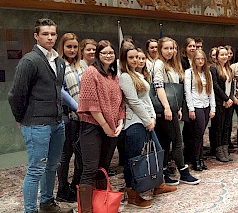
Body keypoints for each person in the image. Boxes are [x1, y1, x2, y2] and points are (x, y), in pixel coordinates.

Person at [8, 18, 72, 213]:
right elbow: (16, 95)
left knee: (52, 166)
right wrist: (21, 118)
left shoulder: (59, 62)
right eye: (45, 34)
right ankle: (30, 210)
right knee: (36, 169)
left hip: (57, 122)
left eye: (53, 34)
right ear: (36, 36)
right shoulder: (30, 60)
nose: (50, 37)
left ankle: (47, 203)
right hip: (37, 124)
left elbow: (57, 91)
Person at [118, 44, 176, 209]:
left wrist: (152, 117)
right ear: (124, 59)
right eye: (131, 57)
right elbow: (134, 102)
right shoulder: (125, 77)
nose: (135, 60)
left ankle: (158, 184)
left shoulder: (137, 74)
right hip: (134, 123)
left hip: (146, 120)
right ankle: (133, 195)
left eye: (137, 57)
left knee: (157, 152)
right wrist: (147, 120)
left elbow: (146, 99)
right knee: (135, 160)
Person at [77, 40, 125, 213]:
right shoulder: (91, 73)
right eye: (104, 53)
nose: (108, 56)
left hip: (112, 128)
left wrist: (120, 122)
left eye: (111, 53)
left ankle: (103, 205)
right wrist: (106, 126)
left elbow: (120, 103)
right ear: (98, 55)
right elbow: (91, 105)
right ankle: (87, 210)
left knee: (103, 167)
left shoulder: (114, 76)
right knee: (89, 169)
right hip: (92, 127)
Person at [153, 37, 199, 184]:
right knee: (177, 141)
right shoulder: (159, 64)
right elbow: (159, 87)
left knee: (166, 142)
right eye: (166, 48)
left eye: (172, 48)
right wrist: (167, 107)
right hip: (164, 109)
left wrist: (177, 108)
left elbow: (175, 90)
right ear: (160, 49)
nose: (169, 51)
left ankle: (164, 172)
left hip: (172, 108)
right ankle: (183, 171)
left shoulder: (173, 65)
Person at [55, 33, 85, 203]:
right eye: (69, 47)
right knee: (65, 155)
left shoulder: (83, 65)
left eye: (75, 47)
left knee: (81, 154)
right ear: (63, 47)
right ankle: (62, 189)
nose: (72, 50)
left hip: (85, 117)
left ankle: (76, 185)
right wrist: (77, 107)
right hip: (68, 116)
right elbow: (60, 90)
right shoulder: (59, 65)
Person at [184, 50, 216, 171]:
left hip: (206, 106)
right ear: (193, 60)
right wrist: (191, 109)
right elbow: (188, 92)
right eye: (198, 59)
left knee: (201, 134)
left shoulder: (207, 73)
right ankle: (196, 159)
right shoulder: (189, 73)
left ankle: (200, 158)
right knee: (198, 134)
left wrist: (213, 108)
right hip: (196, 106)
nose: (201, 61)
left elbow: (210, 91)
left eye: (202, 59)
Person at [210, 47, 235, 162]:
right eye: (222, 55)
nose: (225, 57)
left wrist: (230, 98)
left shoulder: (229, 68)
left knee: (226, 126)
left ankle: (225, 148)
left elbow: (232, 85)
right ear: (217, 57)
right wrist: (225, 99)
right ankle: (218, 150)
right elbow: (215, 86)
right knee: (218, 127)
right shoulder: (214, 69)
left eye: (226, 55)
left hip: (229, 103)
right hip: (220, 102)